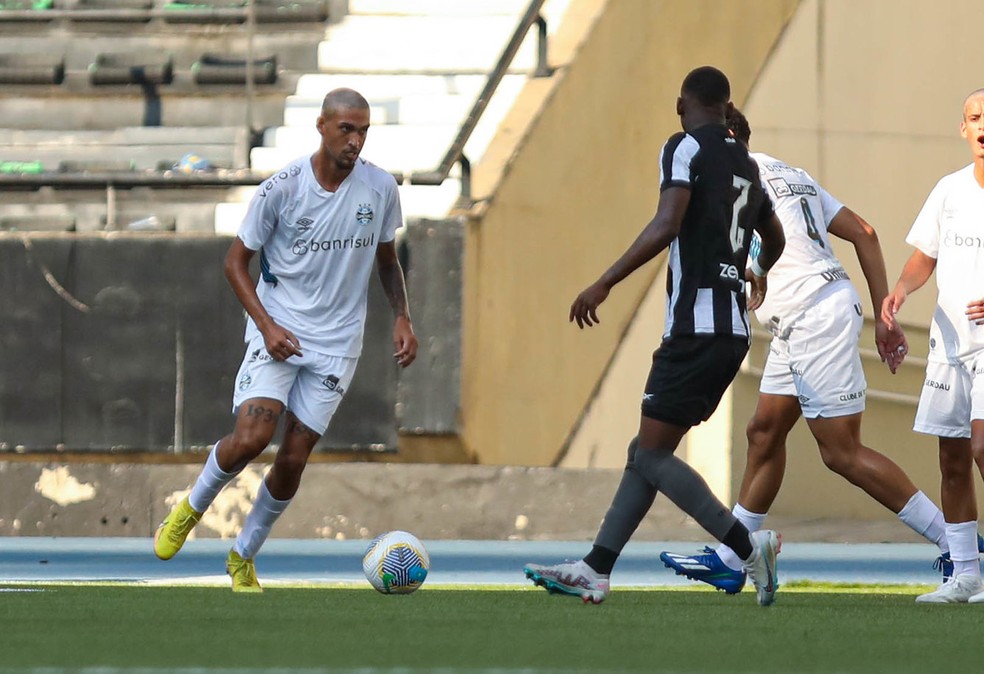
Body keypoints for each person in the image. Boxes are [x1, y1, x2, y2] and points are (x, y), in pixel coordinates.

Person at [661, 108, 959, 596]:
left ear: (728, 135)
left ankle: (957, 544)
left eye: (702, 136)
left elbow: (752, 243)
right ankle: (736, 555)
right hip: (809, 312)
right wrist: (883, 313)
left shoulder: (731, 177)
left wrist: (748, 272)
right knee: (764, 431)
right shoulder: (791, 172)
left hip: (813, 315)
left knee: (841, 452)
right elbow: (864, 232)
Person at [523, 66, 786, 606]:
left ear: (681, 103)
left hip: (696, 327)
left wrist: (604, 282)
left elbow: (667, 223)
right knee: (645, 449)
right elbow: (774, 236)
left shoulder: (685, 146)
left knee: (650, 454)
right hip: (729, 329)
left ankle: (744, 546)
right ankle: (597, 568)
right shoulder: (745, 161)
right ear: (726, 105)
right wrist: (753, 271)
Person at [153, 88, 418, 592]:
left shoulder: (380, 188)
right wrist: (268, 326)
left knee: (293, 460)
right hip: (279, 330)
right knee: (252, 439)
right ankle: (190, 509)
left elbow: (387, 260)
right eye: (347, 129)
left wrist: (402, 317)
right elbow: (234, 263)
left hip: (338, 343)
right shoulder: (282, 189)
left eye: (363, 131)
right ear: (321, 126)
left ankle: (243, 556)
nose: (356, 140)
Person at [881, 88, 984, 603]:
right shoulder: (949, 190)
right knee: (952, 456)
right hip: (949, 343)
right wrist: (900, 290)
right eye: (974, 117)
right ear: (963, 129)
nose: (983, 126)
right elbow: (925, 256)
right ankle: (965, 573)